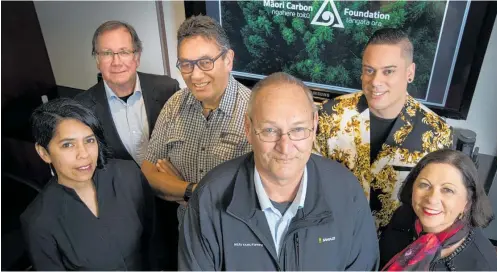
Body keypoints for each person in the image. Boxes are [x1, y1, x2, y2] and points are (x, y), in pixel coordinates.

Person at [179, 72, 379, 270]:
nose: (285, 147)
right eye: (269, 130)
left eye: (298, 130)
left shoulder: (346, 192)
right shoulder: (209, 198)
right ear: (248, 128)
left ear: (314, 124)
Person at [315, 28, 453, 231]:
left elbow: (437, 208)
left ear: (410, 73)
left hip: (396, 246)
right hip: (332, 234)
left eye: (388, 71)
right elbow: (311, 181)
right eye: (369, 70)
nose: (375, 82)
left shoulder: (436, 134)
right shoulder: (330, 114)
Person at [21, 98, 158, 270]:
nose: (84, 154)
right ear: (44, 152)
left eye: (89, 140)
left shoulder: (128, 174)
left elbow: (154, 238)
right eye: (68, 145)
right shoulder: (39, 221)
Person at [142, 15, 251, 222]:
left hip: (236, 237)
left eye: (205, 62)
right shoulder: (175, 104)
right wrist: (190, 190)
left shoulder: (255, 111)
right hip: (186, 233)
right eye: (186, 64)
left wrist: (175, 188)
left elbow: (253, 195)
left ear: (228, 60)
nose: (195, 75)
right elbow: (148, 174)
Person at [379, 149, 497, 271]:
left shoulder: (485, 266)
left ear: (467, 202)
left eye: (448, 190)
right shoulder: (403, 217)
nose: (432, 199)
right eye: (425, 184)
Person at [75, 20, 179, 165]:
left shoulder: (168, 89)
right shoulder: (81, 107)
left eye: (124, 52)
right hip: (119, 187)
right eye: (107, 53)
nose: (116, 62)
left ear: (137, 57)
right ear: (97, 60)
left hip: (170, 182)